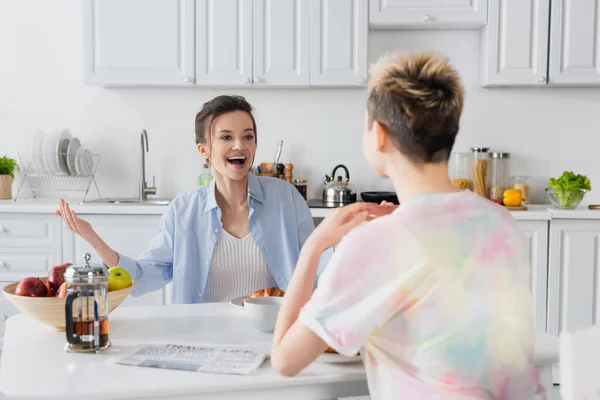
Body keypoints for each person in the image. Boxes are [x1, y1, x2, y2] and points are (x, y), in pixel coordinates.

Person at [271, 53, 544, 399]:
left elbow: (284, 360)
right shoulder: (501, 222)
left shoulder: (380, 243)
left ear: (380, 135)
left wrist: (316, 243)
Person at [57, 95, 330, 304]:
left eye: (248, 136)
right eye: (226, 137)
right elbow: (147, 274)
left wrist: (353, 238)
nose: (240, 145)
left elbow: (317, 261)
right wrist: (94, 239)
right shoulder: (184, 210)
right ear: (205, 149)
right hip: (202, 335)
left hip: (273, 332)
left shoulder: (285, 198)